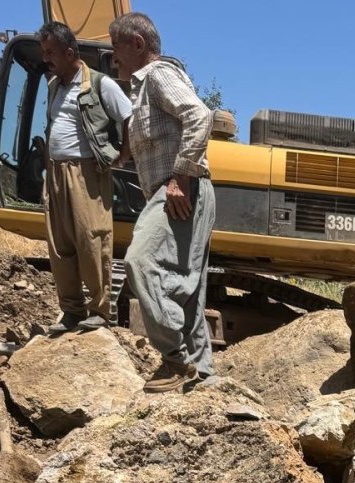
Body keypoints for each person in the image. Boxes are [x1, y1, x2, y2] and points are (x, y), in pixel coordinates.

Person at [109, 12, 216, 393]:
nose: (113, 58)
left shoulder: (155, 75)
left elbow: (199, 115)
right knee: (187, 289)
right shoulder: (139, 92)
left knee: (139, 261)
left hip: (181, 187)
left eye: (115, 48)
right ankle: (201, 376)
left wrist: (180, 177)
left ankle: (174, 359)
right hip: (181, 188)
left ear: (137, 44)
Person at [39, 21, 132, 334]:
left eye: (51, 52)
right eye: (44, 52)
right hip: (55, 172)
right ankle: (71, 310)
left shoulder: (101, 84)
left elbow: (129, 116)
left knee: (91, 238)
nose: (47, 58)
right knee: (60, 242)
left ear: (69, 52)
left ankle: (99, 309)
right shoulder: (54, 86)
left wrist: (123, 156)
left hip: (85, 172)